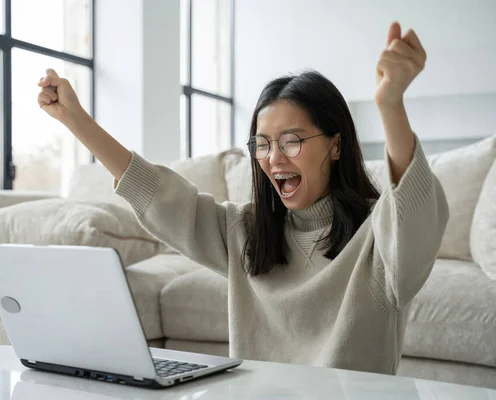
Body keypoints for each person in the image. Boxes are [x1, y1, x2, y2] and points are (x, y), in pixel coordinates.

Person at [37, 22, 448, 375]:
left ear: (336, 146)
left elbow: (413, 211)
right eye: (263, 144)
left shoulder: (381, 242)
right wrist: (76, 120)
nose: (274, 159)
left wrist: (390, 104)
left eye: (291, 141)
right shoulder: (246, 234)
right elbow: (162, 196)